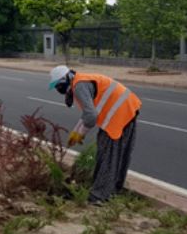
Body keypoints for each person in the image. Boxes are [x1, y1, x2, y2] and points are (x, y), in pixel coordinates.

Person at [49, 65, 141, 204]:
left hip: (119, 115)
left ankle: (99, 196)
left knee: (108, 155)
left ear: (65, 80)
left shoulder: (79, 86)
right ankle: (111, 189)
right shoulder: (80, 81)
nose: (58, 90)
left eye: (58, 86)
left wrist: (81, 134)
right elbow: (87, 114)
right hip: (127, 109)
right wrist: (75, 132)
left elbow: (91, 117)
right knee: (112, 154)